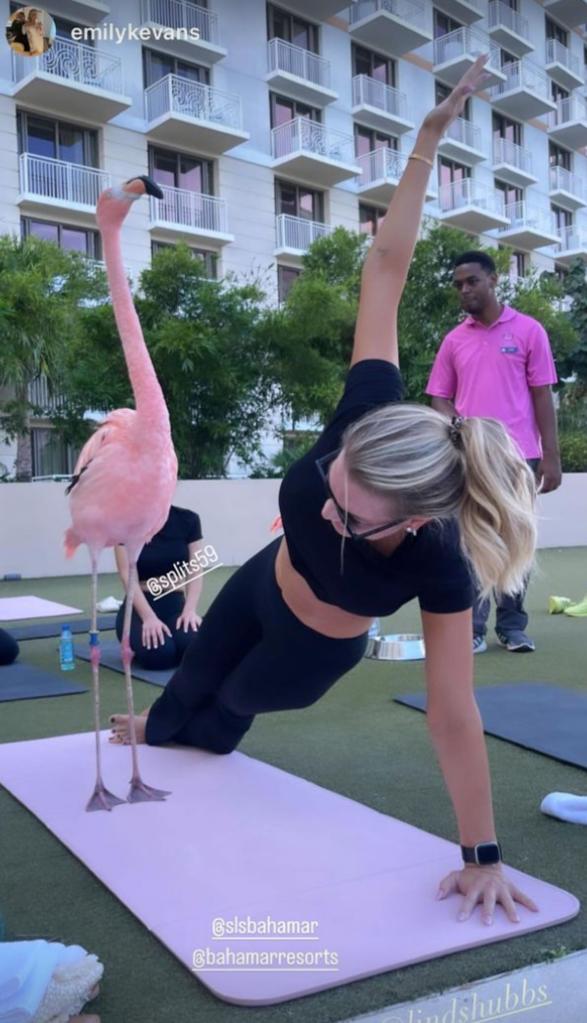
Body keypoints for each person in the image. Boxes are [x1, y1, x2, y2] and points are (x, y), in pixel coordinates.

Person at [111, 56, 540, 927]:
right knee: (189, 678)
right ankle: (162, 729)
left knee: (226, 708)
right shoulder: (368, 409)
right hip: (264, 582)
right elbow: (386, 262)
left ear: (413, 518)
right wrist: (424, 138)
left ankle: (193, 748)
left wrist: (481, 853)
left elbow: (453, 712)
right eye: (331, 481)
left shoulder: (439, 559)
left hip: (311, 651)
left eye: (348, 512)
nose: (327, 500)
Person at [426, 251, 561, 654]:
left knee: (516, 539)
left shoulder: (529, 330)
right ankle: (472, 629)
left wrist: (551, 456)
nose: (464, 290)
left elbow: (542, 395)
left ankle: (513, 628)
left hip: (520, 457)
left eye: (471, 281)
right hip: (473, 457)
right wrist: (458, 432)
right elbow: (439, 397)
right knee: (472, 540)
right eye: (458, 285)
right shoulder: (454, 340)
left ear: (493, 280)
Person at [113, 504, 204, 670]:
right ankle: (138, 641)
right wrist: (148, 618)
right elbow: (127, 575)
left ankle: (173, 642)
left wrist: (190, 610)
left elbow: (195, 569)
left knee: (194, 648)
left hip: (175, 604)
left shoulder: (188, 519)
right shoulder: (125, 523)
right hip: (138, 608)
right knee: (160, 655)